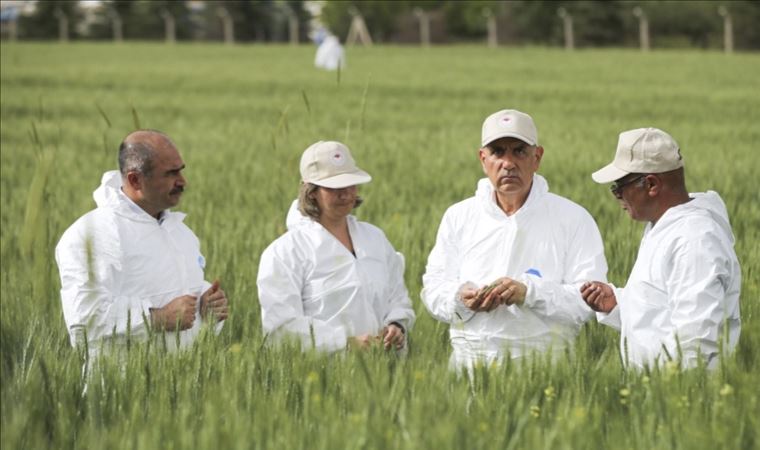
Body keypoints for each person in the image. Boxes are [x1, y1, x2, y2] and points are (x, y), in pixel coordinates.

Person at [421, 109, 608, 370]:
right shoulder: (459, 216)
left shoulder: (573, 218)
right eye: (498, 152)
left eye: (519, 151)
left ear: (537, 157)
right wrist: (459, 298)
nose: (508, 163)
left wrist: (529, 293)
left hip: (546, 371)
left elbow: (588, 302)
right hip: (468, 370)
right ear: (482, 159)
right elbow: (433, 288)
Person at [55, 130, 228, 359]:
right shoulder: (91, 235)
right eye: (170, 173)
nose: (182, 181)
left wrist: (206, 305)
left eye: (181, 170)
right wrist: (158, 318)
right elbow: (84, 321)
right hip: (118, 391)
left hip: (184, 384)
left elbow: (175, 295)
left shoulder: (181, 233)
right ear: (135, 180)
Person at [581, 128, 741, 370]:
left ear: (652, 184)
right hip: (656, 395)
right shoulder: (664, 227)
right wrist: (617, 304)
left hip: (678, 399)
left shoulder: (694, 241)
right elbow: (661, 311)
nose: (617, 196)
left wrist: (677, 402)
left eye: (619, 187)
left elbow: (697, 346)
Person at [257, 141, 415, 353]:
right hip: (321, 377)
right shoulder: (285, 253)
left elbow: (398, 297)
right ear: (311, 191)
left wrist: (397, 326)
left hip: (383, 374)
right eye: (334, 188)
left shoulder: (375, 238)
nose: (345, 194)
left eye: (351, 185)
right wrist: (345, 343)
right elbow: (280, 328)